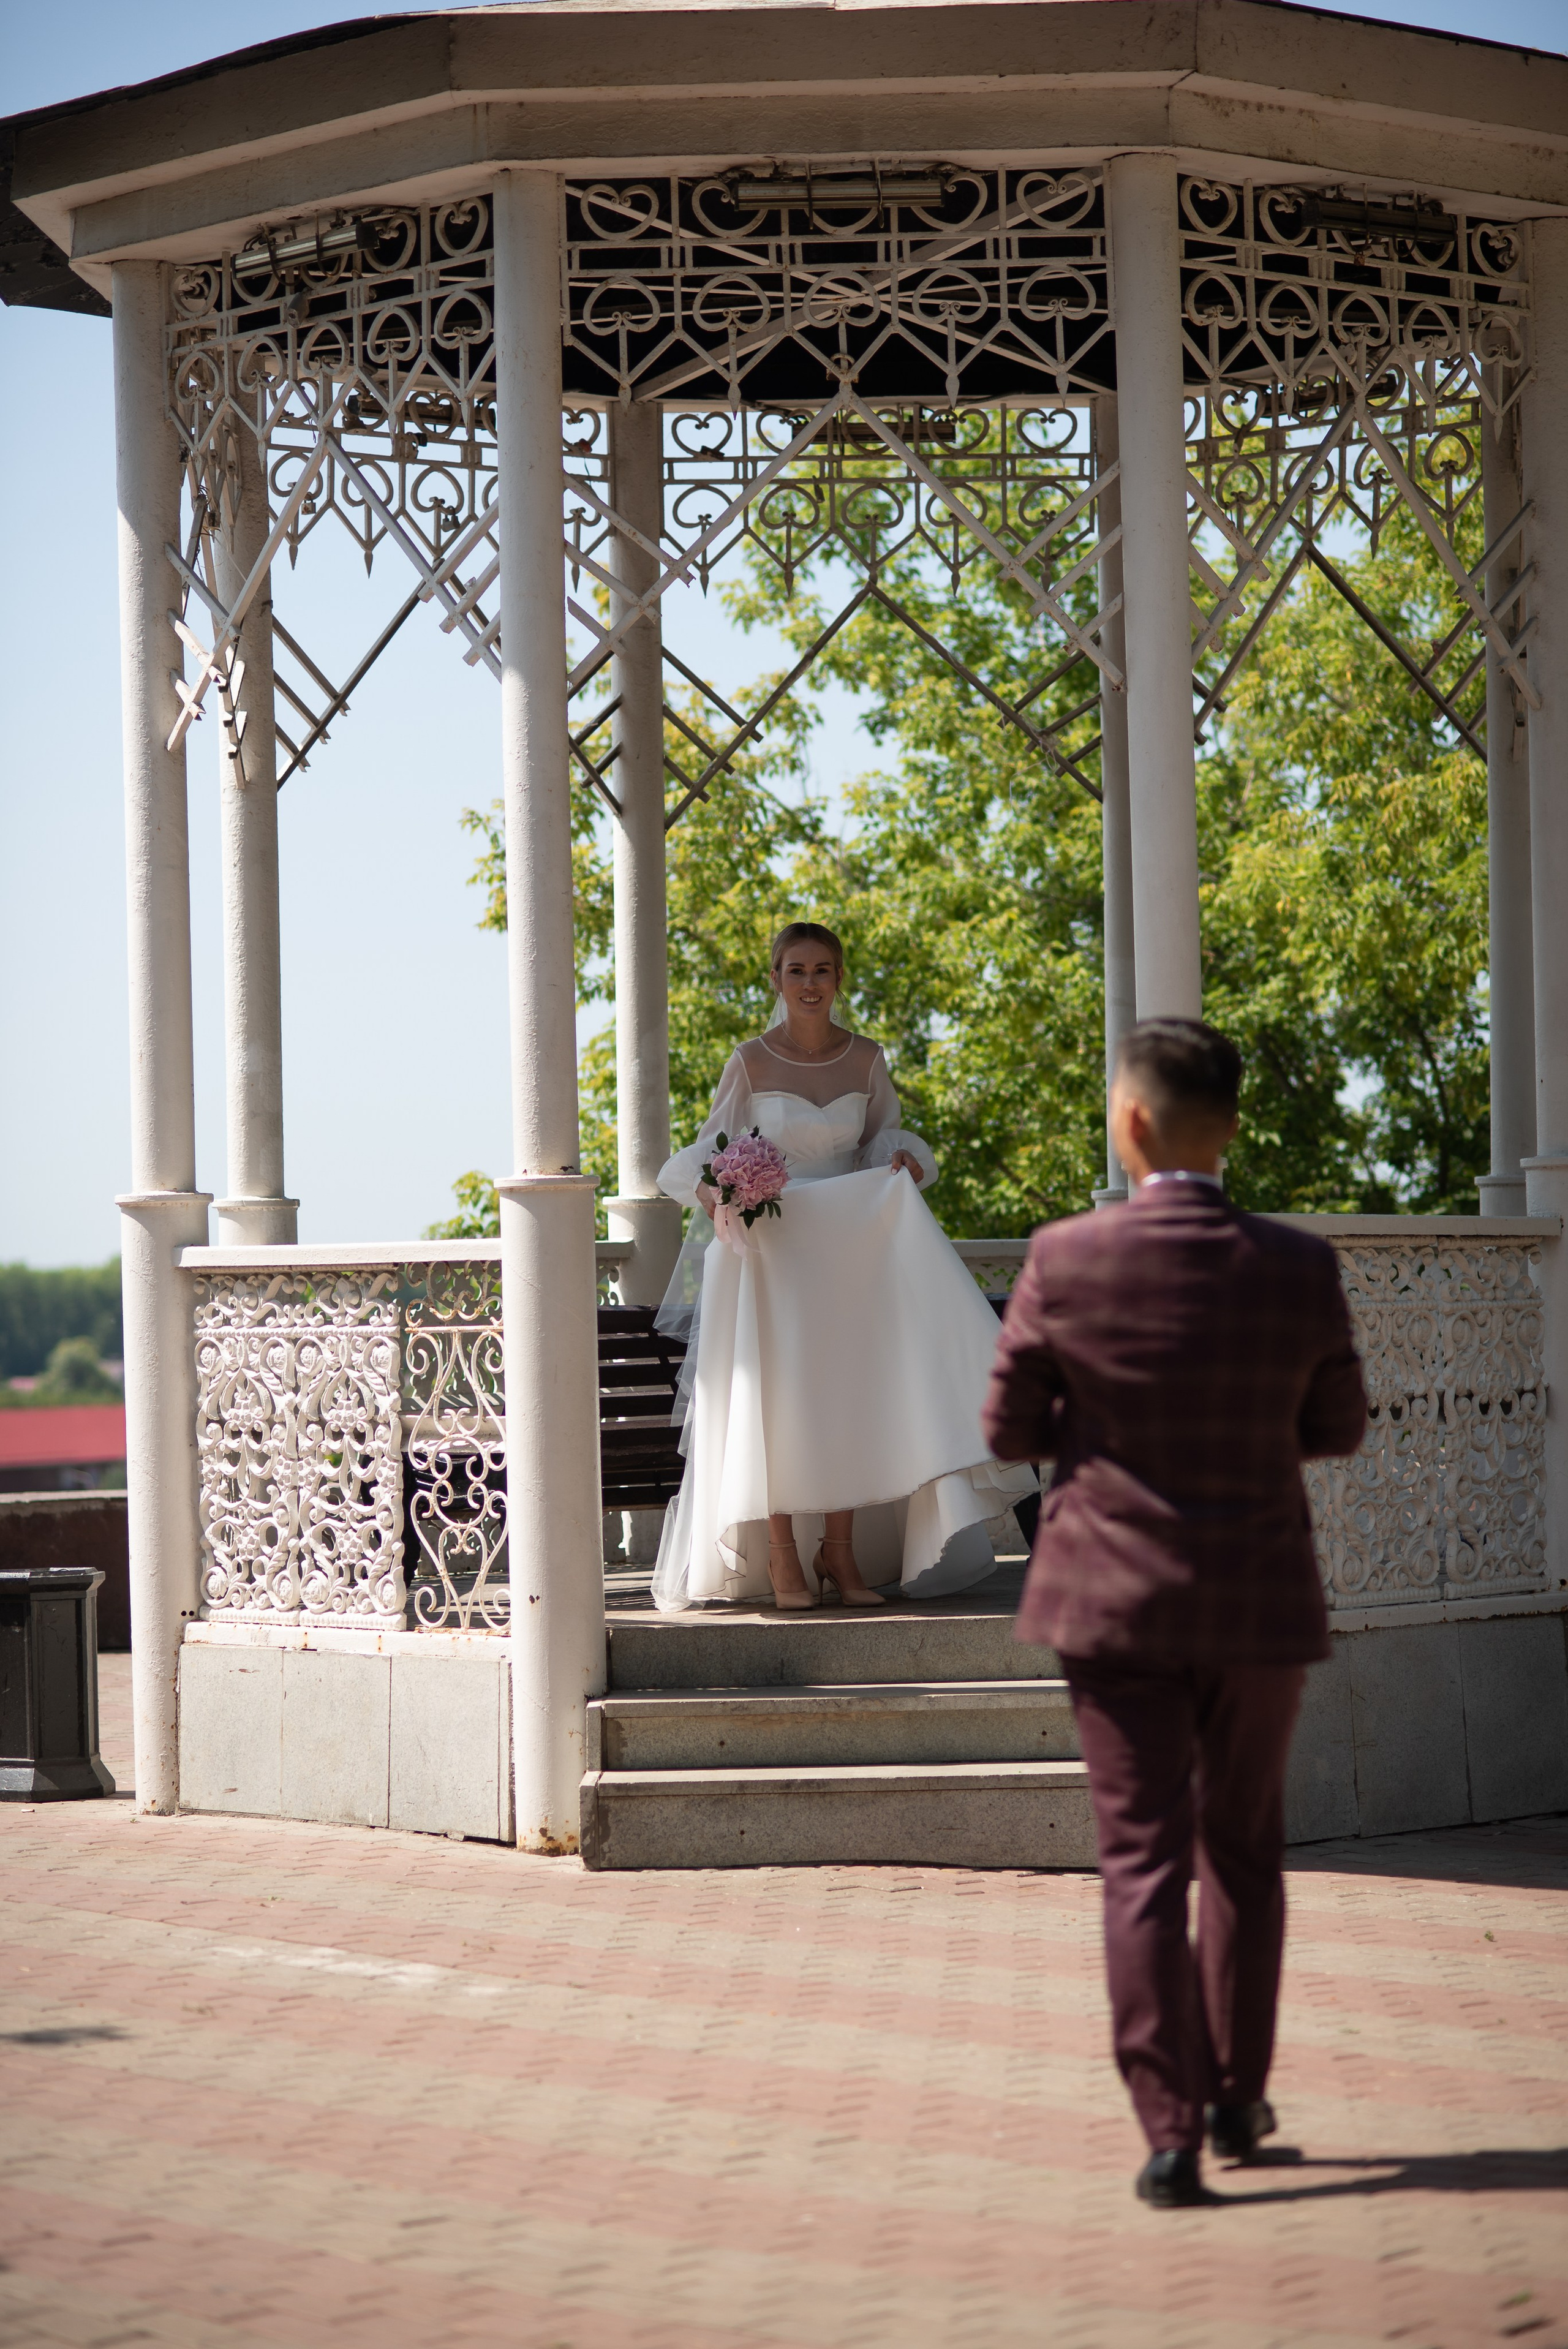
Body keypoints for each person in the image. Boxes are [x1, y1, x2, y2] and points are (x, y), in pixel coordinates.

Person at [981, 1018, 1367, 2208]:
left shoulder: (1063, 1258)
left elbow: (1005, 1431)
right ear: (1228, 1130)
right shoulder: (1297, 1267)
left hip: (1111, 1604)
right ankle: (1236, 2096)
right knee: (1243, 1851)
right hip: (1255, 1597)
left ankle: (1166, 2133)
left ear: (1131, 1121)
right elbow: (1336, 1427)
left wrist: (1093, 1448)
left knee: (1140, 1862)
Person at [651, 921, 1036, 1612]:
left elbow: (883, 1143)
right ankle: (780, 1555)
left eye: (822, 970)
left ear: (838, 978)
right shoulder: (748, 1060)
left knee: (848, 1396)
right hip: (773, 1252)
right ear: (774, 978)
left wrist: (902, 1162)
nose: (809, 983)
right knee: (780, 1397)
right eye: (795, 970)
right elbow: (706, 1154)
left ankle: (840, 1552)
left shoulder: (867, 1058)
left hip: (848, 1251)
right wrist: (722, 1194)